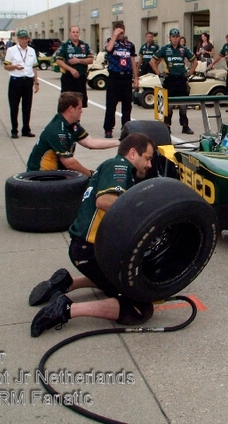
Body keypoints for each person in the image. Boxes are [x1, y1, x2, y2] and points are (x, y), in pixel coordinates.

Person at [29, 133, 156, 337]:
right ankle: (66, 309)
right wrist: (144, 211)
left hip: (88, 249)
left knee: (127, 278)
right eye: (148, 158)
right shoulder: (120, 167)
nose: (149, 164)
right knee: (138, 306)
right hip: (90, 251)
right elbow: (104, 200)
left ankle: (66, 283)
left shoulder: (117, 168)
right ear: (133, 153)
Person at [26, 91, 119, 176]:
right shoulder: (57, 131)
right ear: (71, 109)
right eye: (79, 108)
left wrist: (119, 142)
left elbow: (90, 142)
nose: (81, 111)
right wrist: (91, 174)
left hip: (54, 174)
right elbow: (70, 163)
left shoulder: (71, 124)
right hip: (40, 178)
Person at [150, 28, 197, 135]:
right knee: (169, 105)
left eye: (177, 37)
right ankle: (167, 126)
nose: (175, 39)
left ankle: (185, 126)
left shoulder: (184, 49)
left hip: (181, 79)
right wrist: (159, 73)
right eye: (173, 37)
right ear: (169, 38)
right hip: (169, 79)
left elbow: (194, 61)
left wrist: (190, 72)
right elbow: (152, 61)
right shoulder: (165, 49)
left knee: (183, 105)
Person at [103, 23, 137, 138]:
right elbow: (108, 49)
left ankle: (126, 127)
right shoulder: (110, 42)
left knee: (127, 106)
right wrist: (114, 36)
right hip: (114, 78)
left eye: (121, 32)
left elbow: (132, 61)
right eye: (117, 32)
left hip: (126, 78)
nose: (119, 35)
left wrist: (136, 77)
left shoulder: (129, 45)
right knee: (111, 105)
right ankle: (108, 129)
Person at [3, 29, 39, 138]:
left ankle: (26, 129)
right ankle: (14, 129)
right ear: (18, 39)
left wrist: (36, 82)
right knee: (14, 106)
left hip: (27, 80)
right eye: (22, 38)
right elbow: (6, 66)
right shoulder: (11, 50)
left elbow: (34, 67)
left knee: (27, 106)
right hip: (16, 80)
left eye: (25, 38)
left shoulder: (32, 51)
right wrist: (14, 66)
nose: (24, 40)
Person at [55, 25, 93, 107]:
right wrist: (71, 70)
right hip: (68, 78)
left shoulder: (85, 45)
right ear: (70, 33)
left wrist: (78, 60)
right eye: (73, 32)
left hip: (81, 79)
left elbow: (90, 60)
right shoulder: (64, 46)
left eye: (77, 32)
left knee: (80, 104)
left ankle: (77, 120)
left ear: (79, 33)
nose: (75, 34)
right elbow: (58, 60)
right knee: (67, 104)